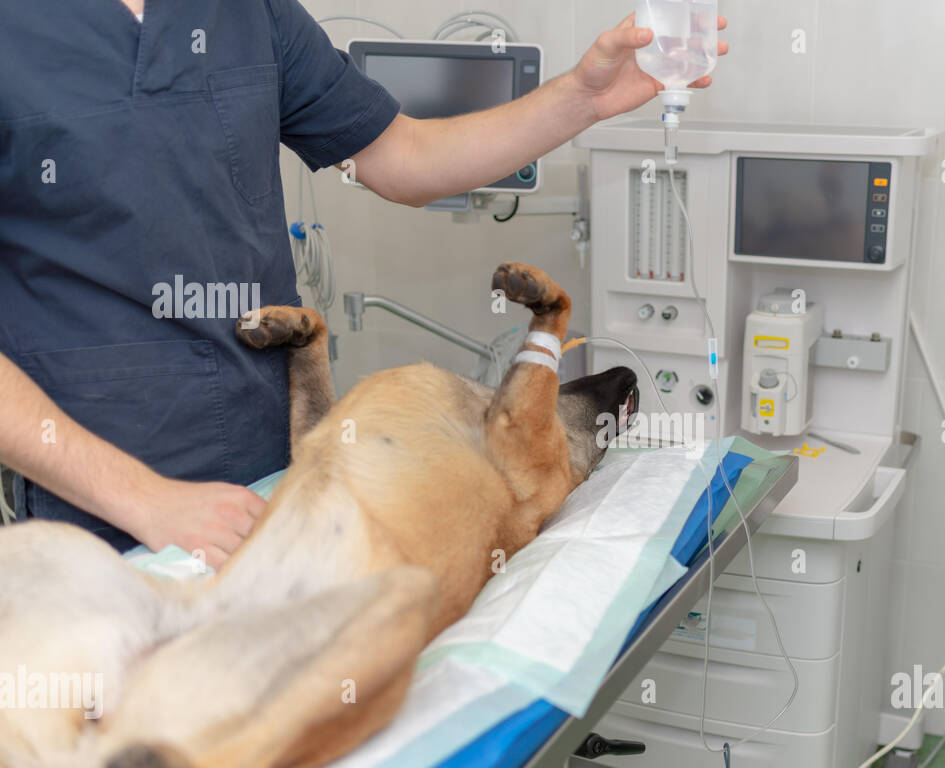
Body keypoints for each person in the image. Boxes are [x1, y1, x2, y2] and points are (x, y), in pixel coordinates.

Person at [0, 0, 727, 568]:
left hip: (278, 482)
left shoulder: (245, 15)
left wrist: (584, 98)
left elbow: (402, 157)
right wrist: (150, 504)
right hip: (100, 518)